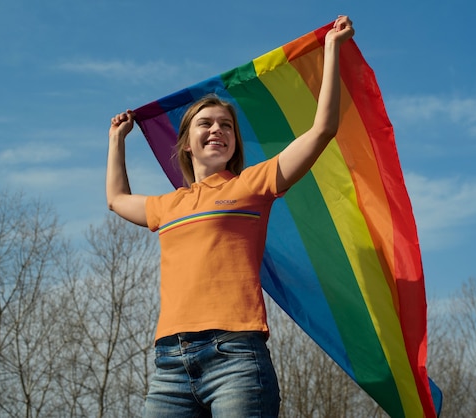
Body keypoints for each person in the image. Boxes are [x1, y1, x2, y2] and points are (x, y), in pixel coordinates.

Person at [106, 15, 354, 418]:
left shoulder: (251, 185)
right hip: (170, 364)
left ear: (234, 142)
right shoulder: (168, 206)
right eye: (205, 123)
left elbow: (321, 130)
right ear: (186, 143)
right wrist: (117, 141)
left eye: (226, 126)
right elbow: (117, 199)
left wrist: (331, 50)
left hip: (235, 358)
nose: (217, 130)